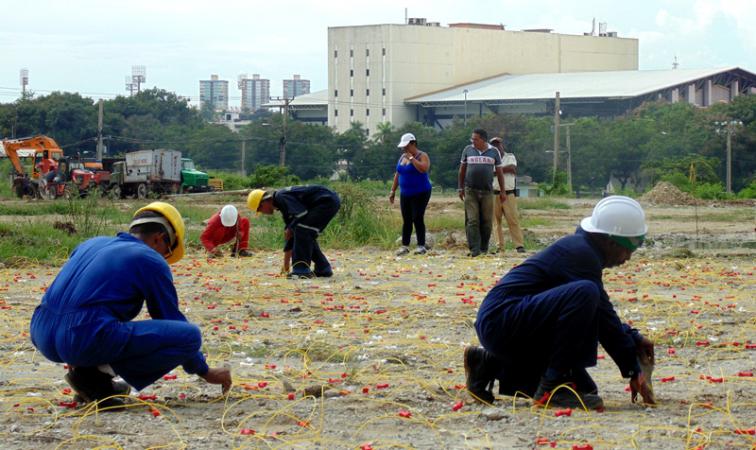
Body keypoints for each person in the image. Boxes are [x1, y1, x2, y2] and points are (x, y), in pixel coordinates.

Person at [29, 202, 232, 410]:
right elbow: (169, 318)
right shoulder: (149, 258)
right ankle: (94, 376)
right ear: (159, 238)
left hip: (41, 331)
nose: (164, 258)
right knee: (189, 336)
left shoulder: (91, 243)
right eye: (167, 251)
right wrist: (204, 371)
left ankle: (89, 372)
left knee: (101, 318)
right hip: (81, 336)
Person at [464, 196, 655, 410]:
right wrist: (632, 368)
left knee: (586, 389)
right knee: (586, 293)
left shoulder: (583, 249)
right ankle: (552, 387)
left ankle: (489, 364)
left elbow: (602, 314)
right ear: (609, 241)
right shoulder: (581, 253)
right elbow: (603, 316)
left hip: (507, 324)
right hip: (502, 321)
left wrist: (633, 338)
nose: (628, 257)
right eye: (628, 249)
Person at [248, 185, 341, 279]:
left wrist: (290, 228)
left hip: (326, 201)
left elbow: (301, 213)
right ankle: (323, 269)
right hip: (328, 201)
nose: (262, 213)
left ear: (264, 202)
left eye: (259, 209)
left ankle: (301, 270)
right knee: (304, 232)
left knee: (302, 230)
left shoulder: (281, 197)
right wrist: (285, 268)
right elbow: (289, 238)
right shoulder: (282, 204)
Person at [457, 128, 507, 257]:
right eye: (472, 139)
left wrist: (502, 191)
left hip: (487, 191)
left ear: (483, 139)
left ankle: (484, 248)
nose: (473, 141)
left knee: (486, 221)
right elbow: (462, 170)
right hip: (470, 190)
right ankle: (474, 249)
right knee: (472, 220)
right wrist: (460, 187)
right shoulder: (467, 150)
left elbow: (500, 173)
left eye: (475, 139)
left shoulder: (494, 152)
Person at [389, 132, 432, 256]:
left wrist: (412, 159)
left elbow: (423, 169)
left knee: (417, 217)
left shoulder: (422, 155)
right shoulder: (402, 157)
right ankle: (405, 246)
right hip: (405, 193)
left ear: (413, 144)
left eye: (407, 146)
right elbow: (398, 174)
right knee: (406, 219)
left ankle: (421, 245)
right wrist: (393, 191)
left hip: (421, 192)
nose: (404, 149)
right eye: (403, 147)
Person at [489, 137, 525, 253]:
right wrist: (503, 170)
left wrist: (497, 170)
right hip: (494, 193)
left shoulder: (510, 156)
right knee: (496, 221)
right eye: (494, 145)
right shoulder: (490, 159)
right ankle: (500, 246)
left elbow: (512, 168)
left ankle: (519, 245)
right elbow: (489, 172)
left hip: (509, 193)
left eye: (498, 144)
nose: (497, 147)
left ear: (501, 145)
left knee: (513, 219)